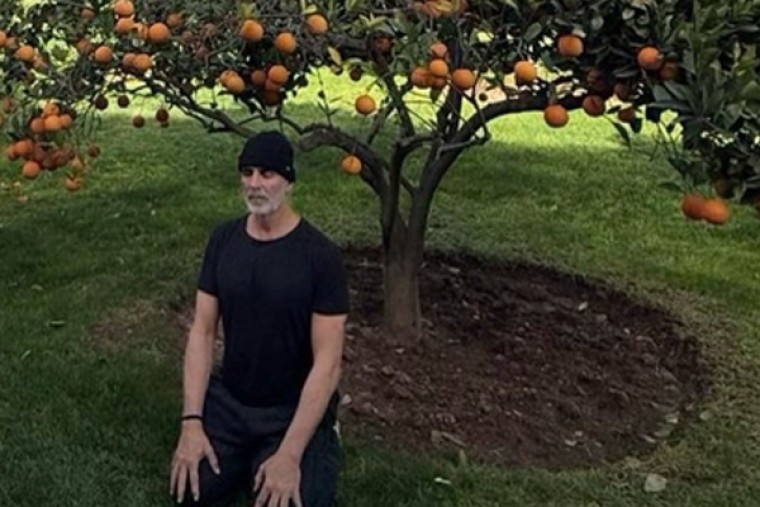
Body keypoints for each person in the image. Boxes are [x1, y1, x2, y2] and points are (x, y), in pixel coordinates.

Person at [169, 130, 350, 507]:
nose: (255, 184)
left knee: (301, 500)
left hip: (290, 408)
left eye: (267, 174)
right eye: (247, 172)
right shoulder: (223, 240)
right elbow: (202, 331)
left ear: (289, 182)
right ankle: (243, 456)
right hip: (233, 401)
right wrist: (191, 422)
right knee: (190, 493)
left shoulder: (321, 257)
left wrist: (290, 454)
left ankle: (320, 435)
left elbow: (329, 363)